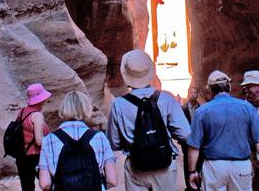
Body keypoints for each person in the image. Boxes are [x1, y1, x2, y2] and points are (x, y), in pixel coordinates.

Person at [107, 49, 190, 190]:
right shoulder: (167, 98)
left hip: (136, 166)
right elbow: (185, 133)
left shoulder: (118, 104)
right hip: (165, 165)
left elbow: (114, 142)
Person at [187, 70, 259, 191]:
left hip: (214, 168)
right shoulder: (247, 107)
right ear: (230, 87)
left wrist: (192, 171)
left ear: (210, 90)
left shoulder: (201, 111)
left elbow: (194, 147)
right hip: (241, 166)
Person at [38, 90, 117, 190]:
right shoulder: (100, 137)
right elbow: (112, 180)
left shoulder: (48, 140)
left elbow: (45, 183)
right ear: (87, 109)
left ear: (63, 109)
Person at [15, 82, 51, 191]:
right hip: (35, 157)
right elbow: (39, 141)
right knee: (49, 185)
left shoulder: (22, 112)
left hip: (21, 156)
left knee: (27, 188)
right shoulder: (37, 116)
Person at [182, 86, 202, 190]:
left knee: (199, 163)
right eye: (191, 92)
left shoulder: (202, 108)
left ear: (198, 94)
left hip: (200, 142)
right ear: (188, 94)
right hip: (187, 143)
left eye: (195, 92)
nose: (193, 94)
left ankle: (199, 185)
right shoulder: (182, 109)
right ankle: (189, 187)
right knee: (187, 164)